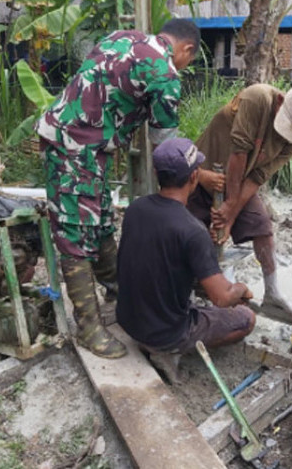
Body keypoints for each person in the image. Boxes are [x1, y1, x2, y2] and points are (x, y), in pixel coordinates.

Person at [35, 19, 201, 358]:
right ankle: (89, 328)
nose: (185, 66)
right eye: (190, 60)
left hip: (80, 142)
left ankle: (119, 292)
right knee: (76, 234)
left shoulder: (123, 37)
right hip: (75, 147)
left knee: (101, 223)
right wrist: (172, 205)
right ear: (186, 49)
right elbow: (165, 151)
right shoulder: (166, 75)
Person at [116, 138, 256, 383]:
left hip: (128, 320)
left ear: (157, 174)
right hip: (165, 333)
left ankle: (163, 339)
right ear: (194, 178)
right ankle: (169, 350)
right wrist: (241, 289)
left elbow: (160, 258)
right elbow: (222, 298)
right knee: (246, 318)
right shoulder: (192, 230)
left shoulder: (135, 209)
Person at [187, 83, 292, 324]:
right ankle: (189, 292)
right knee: (190, 233)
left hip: (240, 183)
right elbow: (238, 154)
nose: (283, 134)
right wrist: (227, 206)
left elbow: (257, 176)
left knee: (262, 226)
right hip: (203, 173)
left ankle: (273, 292)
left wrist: (230, 212)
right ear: (280, 101)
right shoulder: (257, 99)